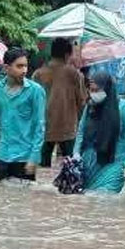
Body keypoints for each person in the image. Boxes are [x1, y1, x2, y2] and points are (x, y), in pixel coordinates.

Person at [73, 70, 125, 193]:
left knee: (104, 199)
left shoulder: (124, 108)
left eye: (97, 90)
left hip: (115, 163)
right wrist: (76, 154)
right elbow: (81, 131)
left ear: (107, 88)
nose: (93, 94)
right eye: (91, 90)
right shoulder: (90, 107)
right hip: (89, 163)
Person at [0, 48, 46, 182]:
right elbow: (1, 122)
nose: (24, 70)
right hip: (3, 156)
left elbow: (40, 127)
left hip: (24, 158)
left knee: (24, 200)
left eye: (26, 66)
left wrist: (34, 158)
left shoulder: (35, 91)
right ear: (6, 68)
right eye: (19, 66)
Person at [32, 37, 87, 168]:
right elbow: (82, 101)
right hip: (67, 128)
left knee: (41, 168)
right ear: (67, 54)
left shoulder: (38, 74)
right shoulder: (74, 74)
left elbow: (31, 103)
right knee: (71, 168)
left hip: (43, 127)